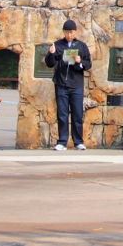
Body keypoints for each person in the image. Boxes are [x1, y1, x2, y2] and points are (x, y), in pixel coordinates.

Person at [44, 19, 92, 151]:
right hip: (61, 84)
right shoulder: (58, 44)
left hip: (76, 84)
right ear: (63, 32)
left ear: (75, 32)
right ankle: (62, 141)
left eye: (71, 32)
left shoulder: (81, 46)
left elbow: (88, 63)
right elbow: (50, 63)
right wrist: (51, 53)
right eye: (66, 32)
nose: (69, 35)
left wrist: (79, 61)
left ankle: (78, 142)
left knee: (77, 114)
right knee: (62, 113)